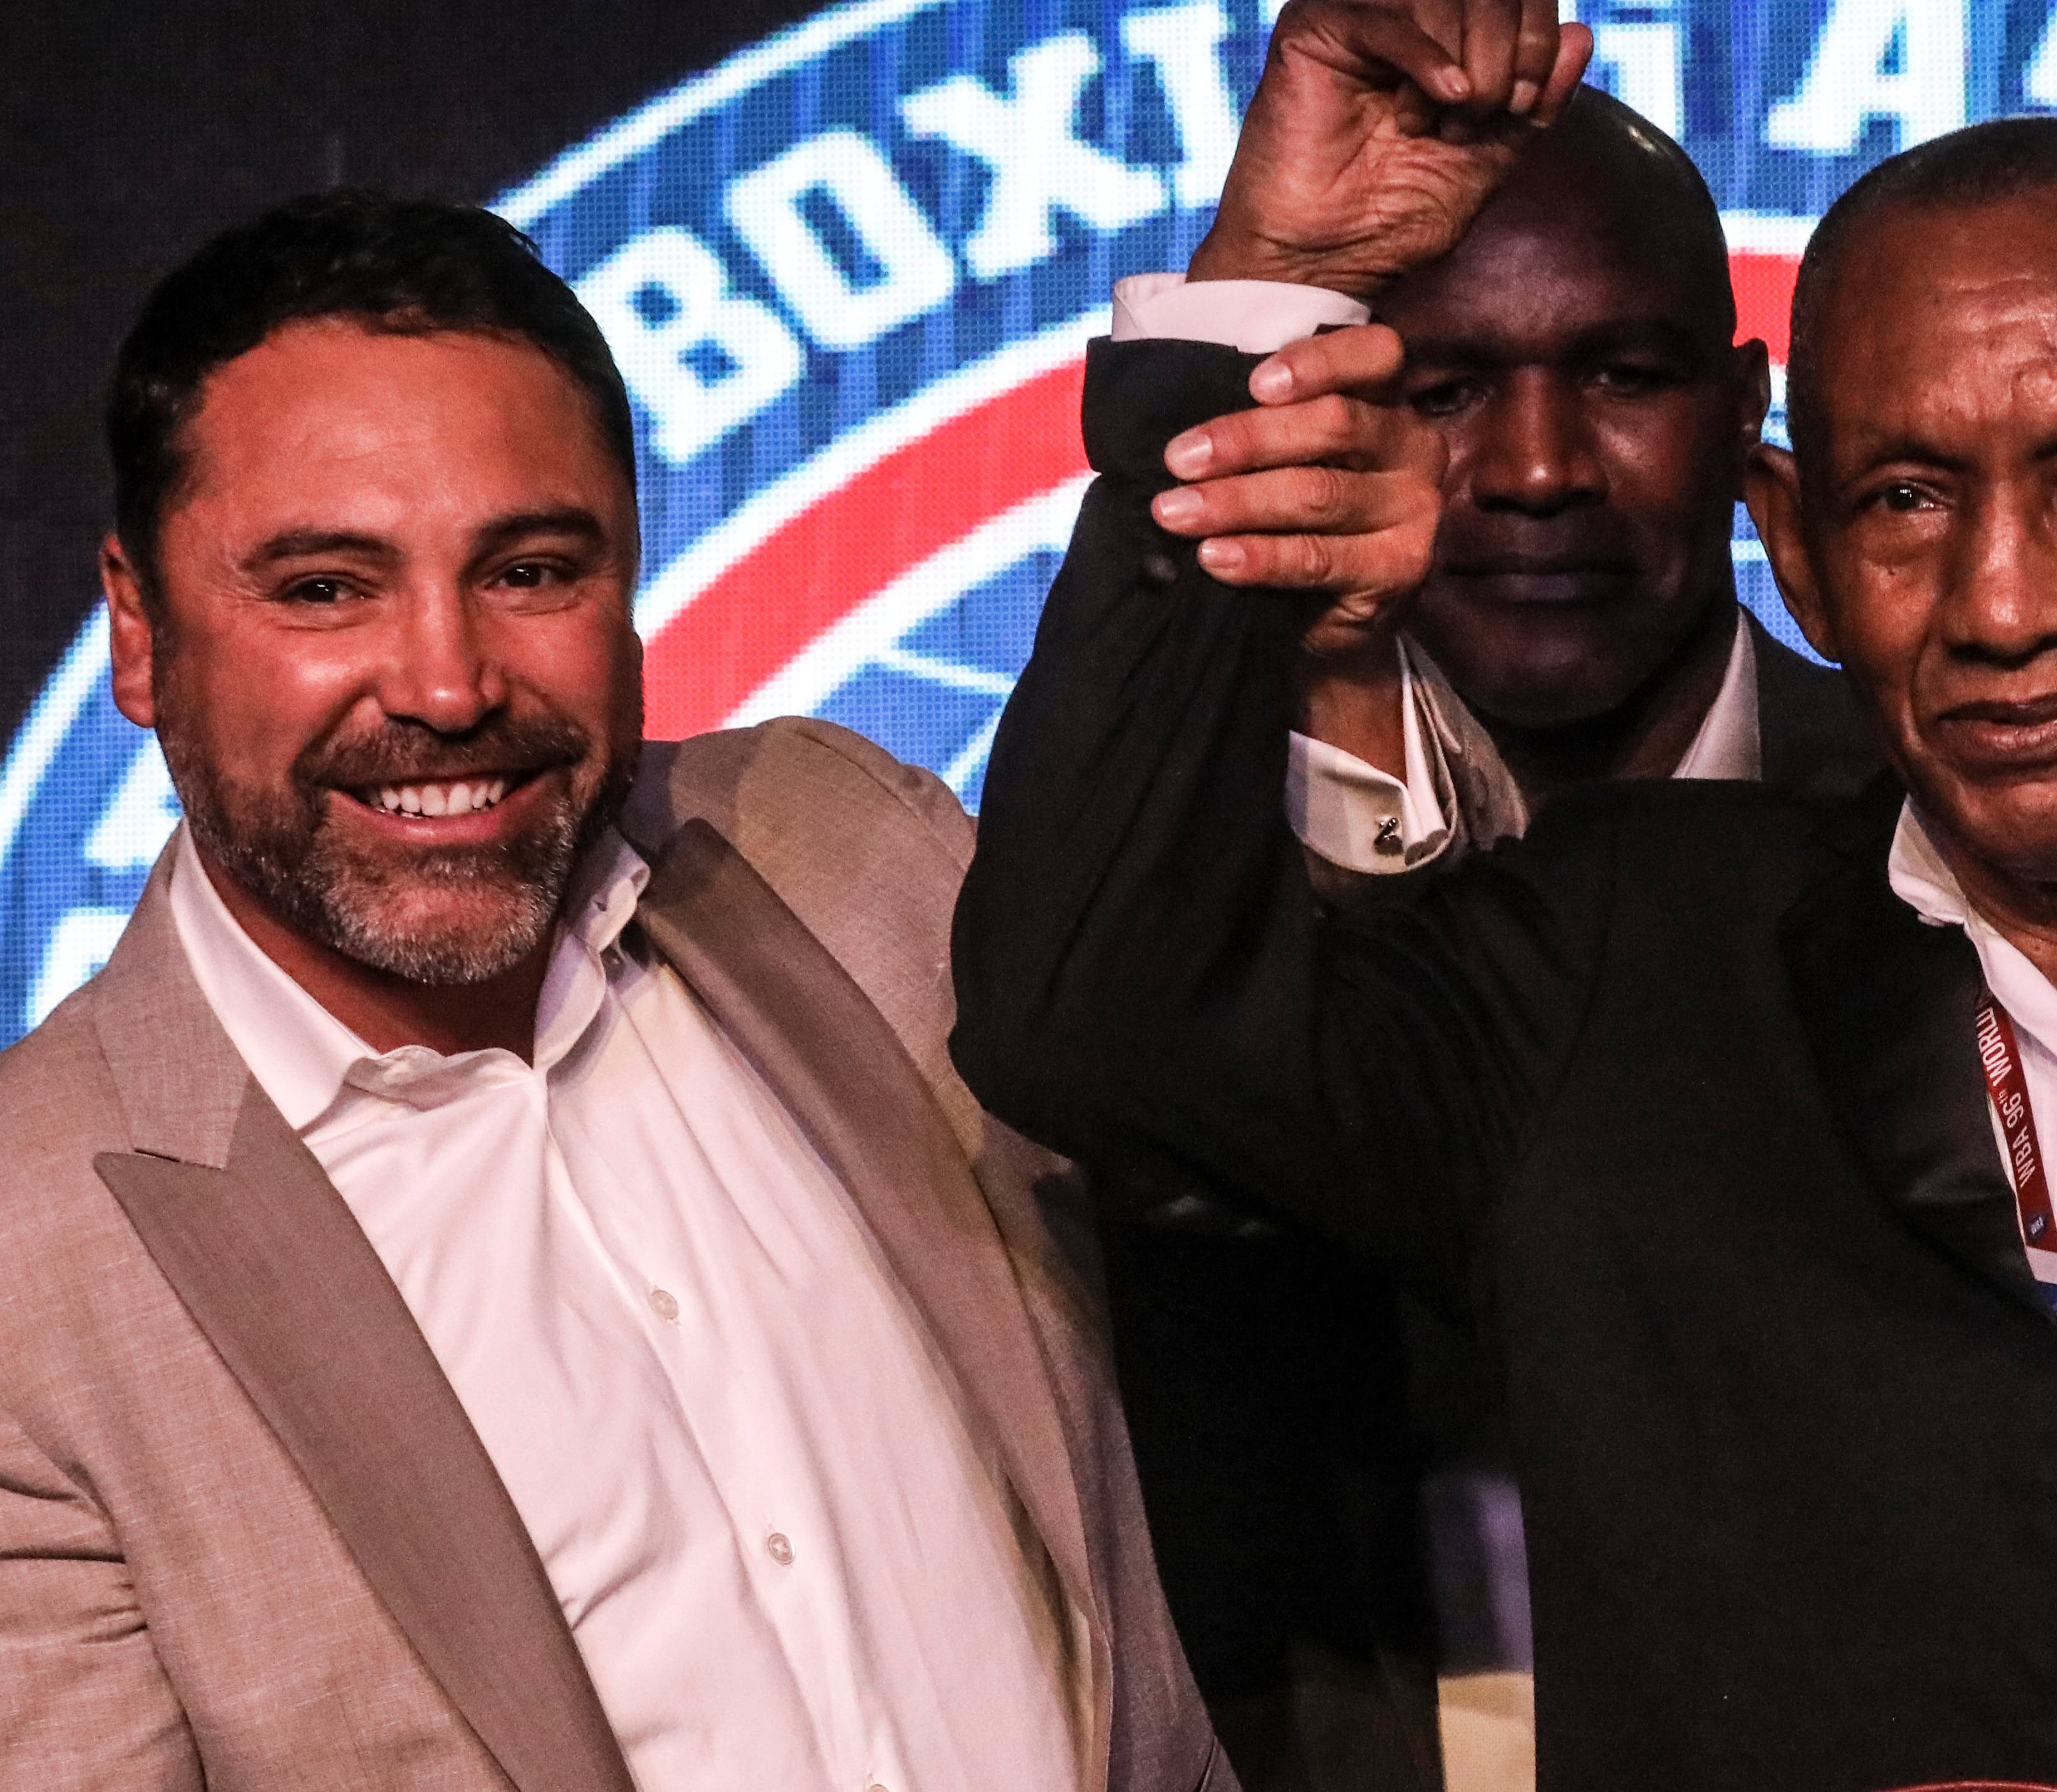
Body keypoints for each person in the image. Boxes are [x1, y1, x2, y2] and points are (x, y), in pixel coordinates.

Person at [952, 0, 2057, 1792]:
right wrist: (1261, 291)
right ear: (1797, 555)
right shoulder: (1623, 961)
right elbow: (1088, 1010)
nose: (2002, 602)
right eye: (1904, 498)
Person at [0, 190, 1234, 1792]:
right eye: (325, 589)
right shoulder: (31, 1269)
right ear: (142, 633)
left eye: (529, 570)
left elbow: (1295, 1082)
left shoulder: (832, 843)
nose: (446, 686)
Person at [1096, 76, 1882, 1789]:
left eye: (1623, 375)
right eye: (1449, 389)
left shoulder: (1946, 843)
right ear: (1341, 424)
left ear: (1747, 413)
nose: (1535, 472)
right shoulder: (1158, 903)